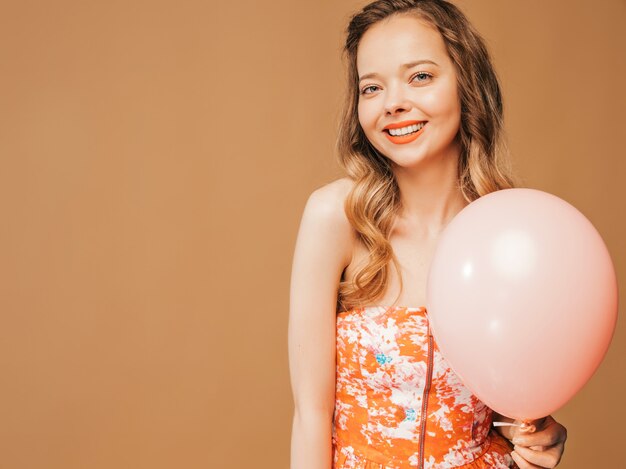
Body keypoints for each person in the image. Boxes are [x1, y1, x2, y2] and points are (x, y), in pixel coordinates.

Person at [288, 1, 568, 467]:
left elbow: (508, 407)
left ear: (465, 83)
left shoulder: (509, 232)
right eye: (372, 87)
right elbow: (310, 414)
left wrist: (541, 435)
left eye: (419, 76)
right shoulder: (335, 216)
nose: (393, 102)